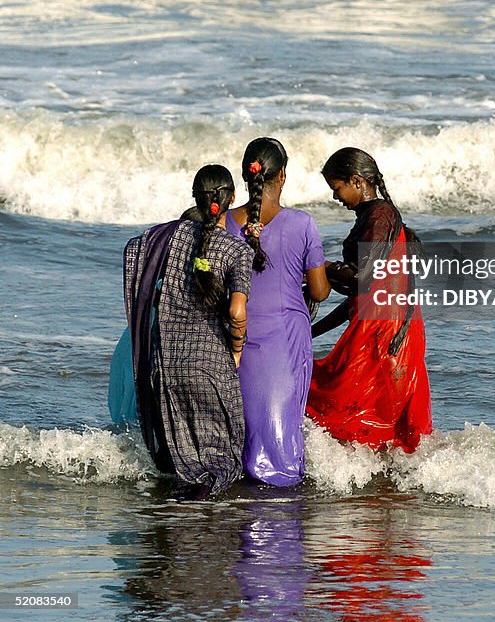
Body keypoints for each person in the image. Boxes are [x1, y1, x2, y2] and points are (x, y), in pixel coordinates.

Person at [123, 164, 252, 497]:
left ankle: (176, 521)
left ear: (195, 198)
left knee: (181, 461)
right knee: (222, 460)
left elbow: (136, 253)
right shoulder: (237, 250)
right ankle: (205, 529)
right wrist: (236, 350)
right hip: (211, 365)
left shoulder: (167, 238)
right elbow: (237, 311)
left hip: (165, 363)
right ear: (231, 198)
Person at [306, 147, 432, 453]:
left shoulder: (379, 216)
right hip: (388, 328)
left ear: (357, 181)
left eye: (337, 188)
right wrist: (310, 331)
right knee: (380, 418)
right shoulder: (379, 217)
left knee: (335, 398)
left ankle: (358, 483)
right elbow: (361, 298)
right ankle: (382, 486)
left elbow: (364, 278)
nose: (336, 197)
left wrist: (321, 268)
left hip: (385, 334)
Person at [225, 137, 330, 486]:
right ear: (281, 176)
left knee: (237, 422)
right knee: (280, 427)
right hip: (285, 340)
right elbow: (318, 291)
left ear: (245, 175)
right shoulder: (302, 224)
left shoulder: (222, 224)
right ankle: (279, 493)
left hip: (231, 336)